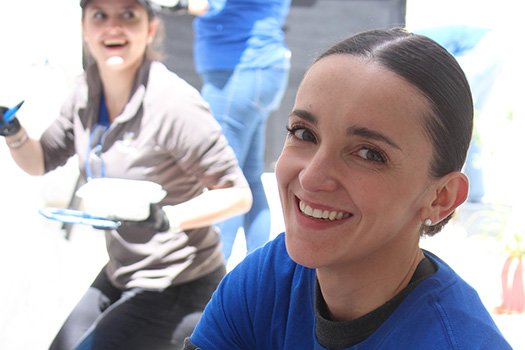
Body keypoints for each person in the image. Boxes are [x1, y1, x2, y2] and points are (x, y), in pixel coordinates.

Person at [182, 28, 512, 349]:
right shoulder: (270, 277)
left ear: (441, 198)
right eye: (304, 133)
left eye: (369, 154)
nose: (311, 177)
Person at [1, 0, 252, 349]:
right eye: (100, 15)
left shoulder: (173, 104)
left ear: (150, 28)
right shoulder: (84, 92)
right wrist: (11, 129)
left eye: (128, 15)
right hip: (123, 270)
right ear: (84, 28)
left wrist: (166, 218)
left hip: (179, 282)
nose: (113, 26)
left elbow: (238, 195)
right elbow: (39, 161)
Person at [188, 0, 292, 261]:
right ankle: (256, 277)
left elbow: (201, 4)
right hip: (260, 69)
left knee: (224, 186)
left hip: (239, 73)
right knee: (249, 177)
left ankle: (210, 282)